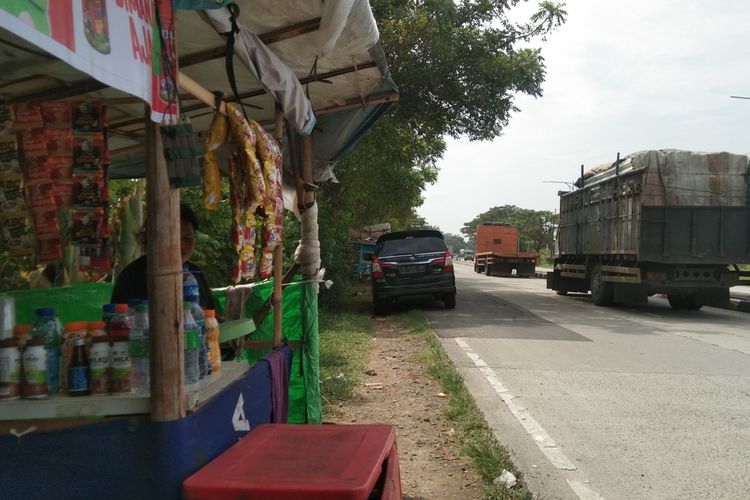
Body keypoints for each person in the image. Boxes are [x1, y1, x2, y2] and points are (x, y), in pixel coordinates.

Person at [110, 204, 216, 310]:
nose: (181, 245)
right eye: (173, 238)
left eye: (188, 238)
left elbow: (211, 318)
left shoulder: (195, 273)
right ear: (153, 238)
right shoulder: (133, 277)